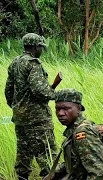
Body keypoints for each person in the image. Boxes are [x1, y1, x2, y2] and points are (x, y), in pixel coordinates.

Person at [4, 33, 57, 179]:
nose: (41, 51)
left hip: (20, 117)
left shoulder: (15, 62)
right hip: (38, 118)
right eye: (41, 47)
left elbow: (8, 90)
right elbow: (39, 90)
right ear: (35, 47)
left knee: (24, 152)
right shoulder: (33, 64)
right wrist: (54, 95)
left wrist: (16, 106)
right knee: (47, 153)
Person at [49, 88, 103, 179]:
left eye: (66, 108)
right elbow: (76, 161)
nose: (60, 113)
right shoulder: (74, 130)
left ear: (79, 108)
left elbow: (101, 172)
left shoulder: (82, 133)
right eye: (57, 109)